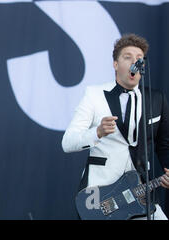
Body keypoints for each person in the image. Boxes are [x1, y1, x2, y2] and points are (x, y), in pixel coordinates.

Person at [62, 34, 169, 219]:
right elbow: (67, 142)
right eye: (127, 57)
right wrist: (97, 132)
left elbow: (164, 143)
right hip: (103, 193)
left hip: (140, 191)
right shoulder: (94, 95)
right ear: (115, 64)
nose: (135, 62)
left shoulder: (155, 99)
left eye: (139, 59)